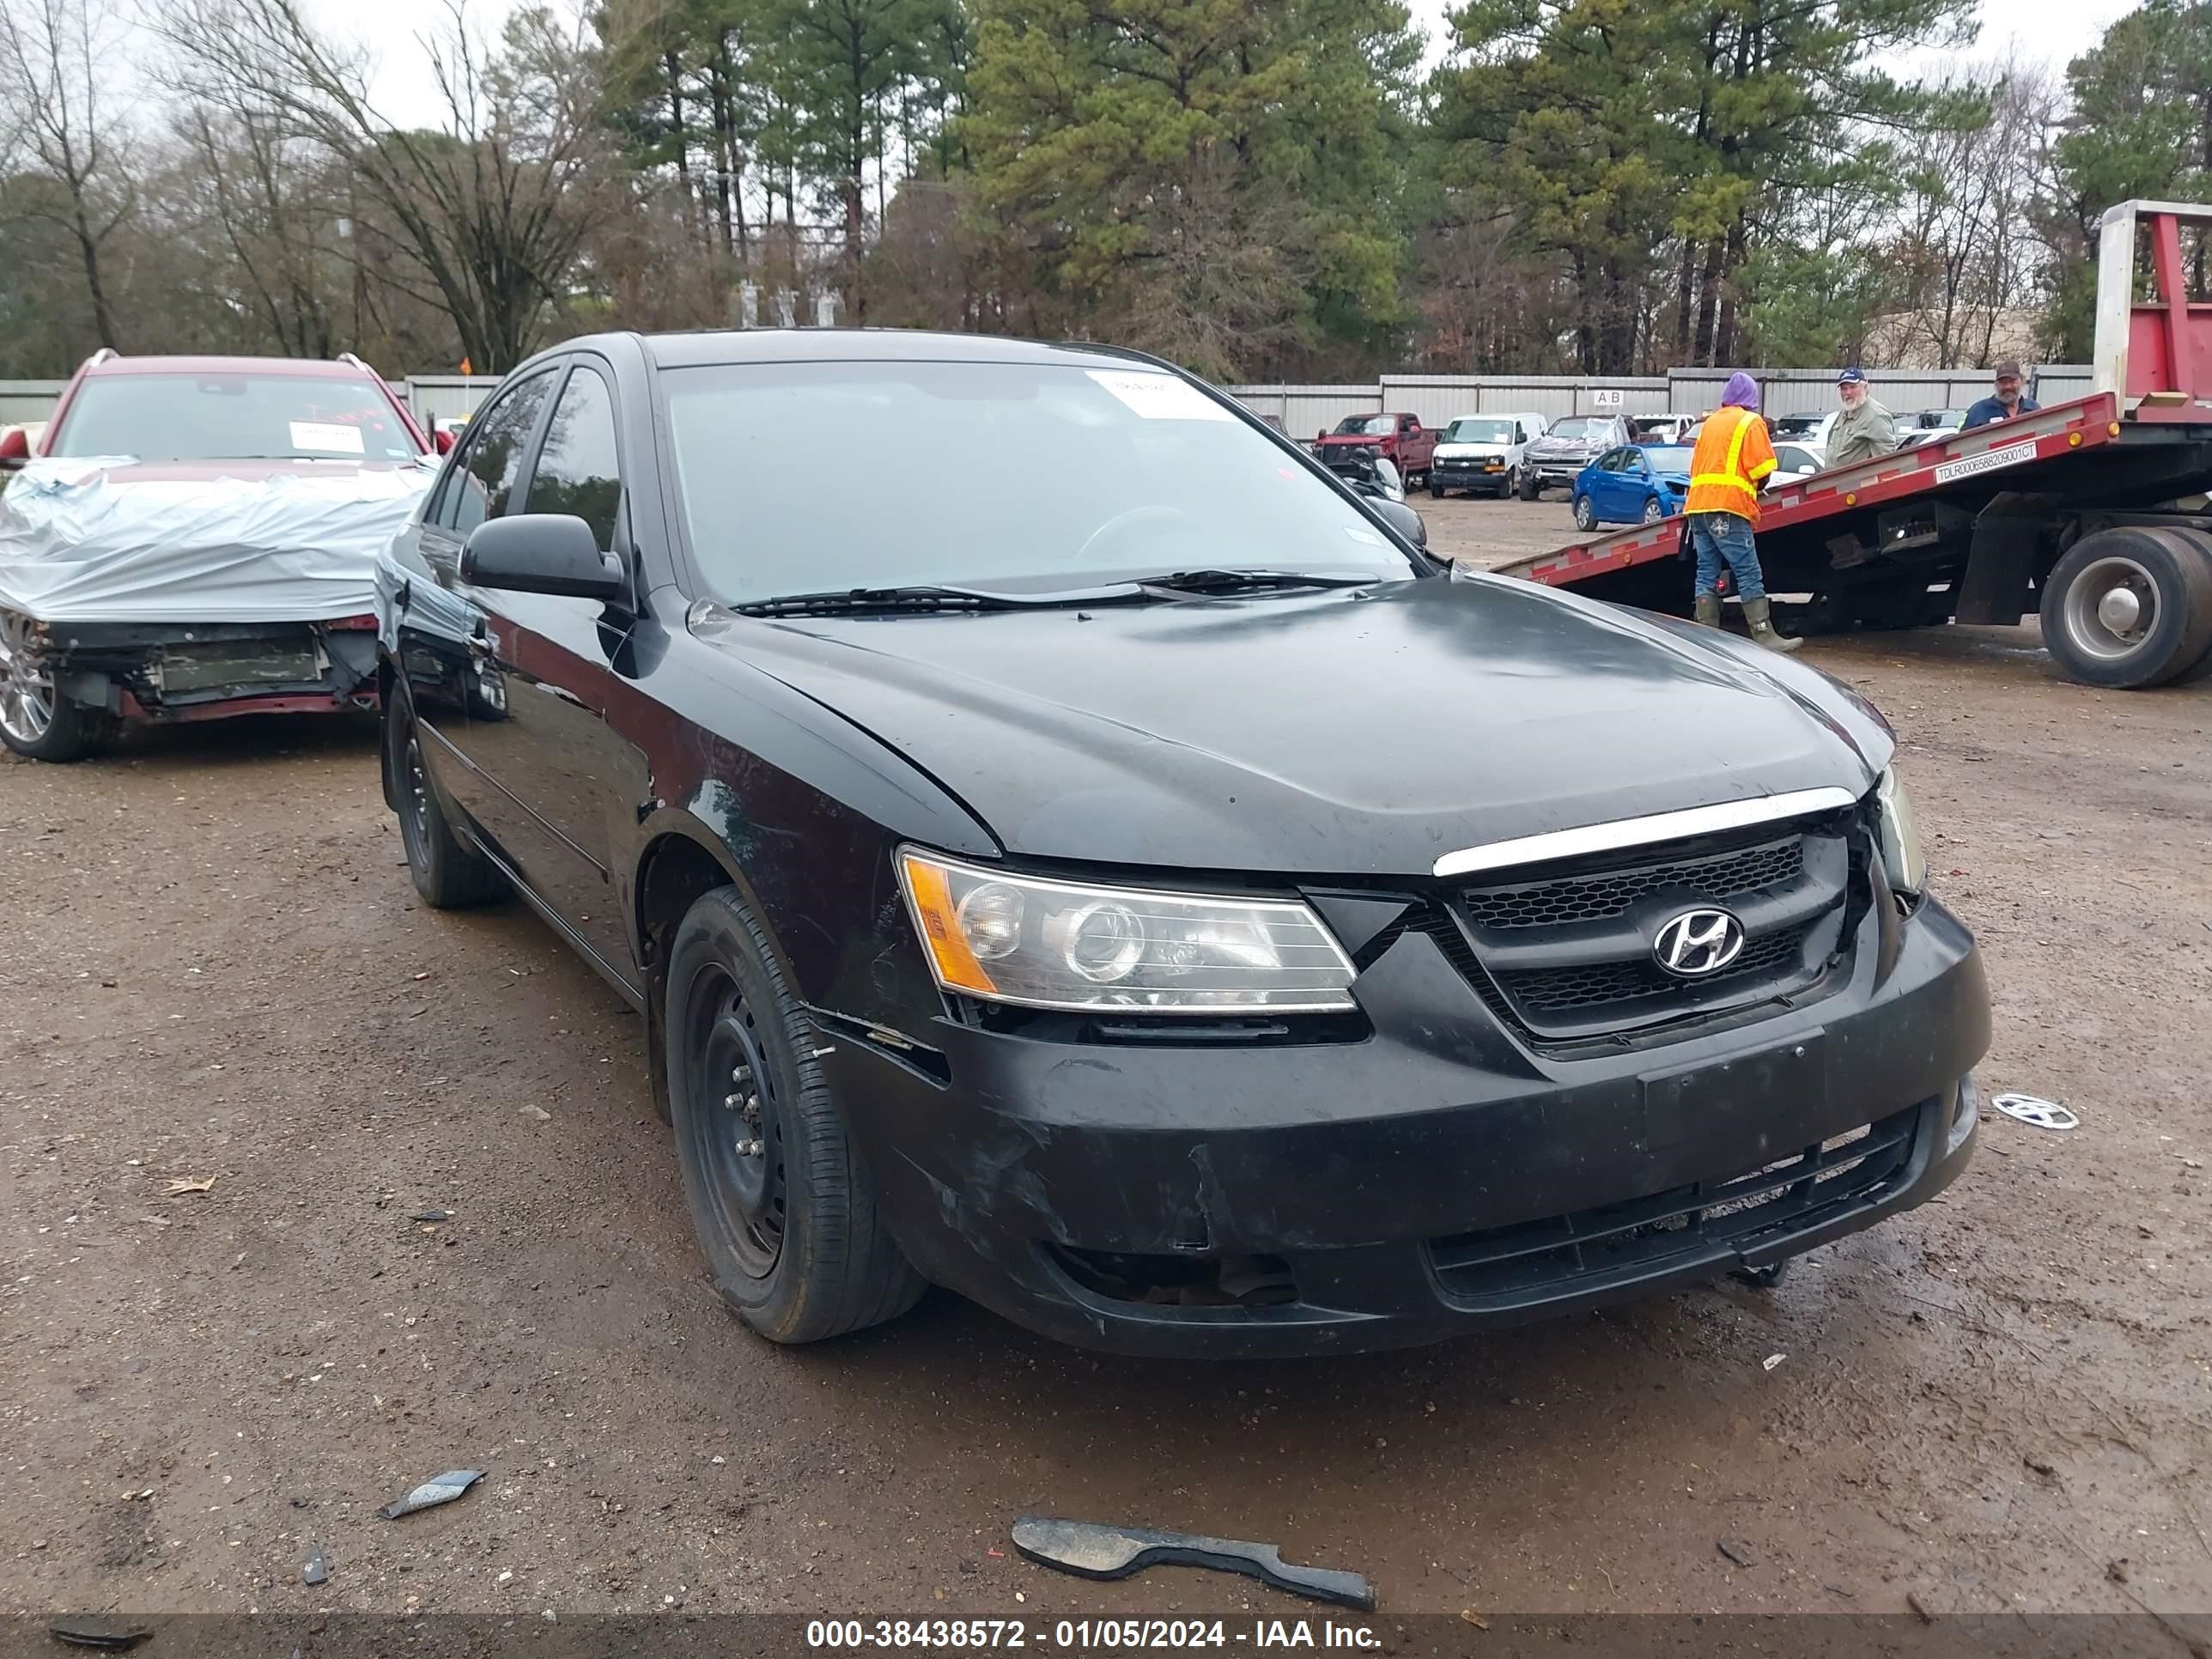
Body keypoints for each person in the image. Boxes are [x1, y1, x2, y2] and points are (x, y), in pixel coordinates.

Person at [1685, 372, 1800, 652]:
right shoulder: (1750, 422)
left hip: (1698, 506)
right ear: (1751, 399)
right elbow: (1762, 470)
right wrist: (1758, 486)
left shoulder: (1710, 423)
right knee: (1748, 570)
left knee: (1706, 572)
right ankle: (1764, 635)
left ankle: (1706, 636)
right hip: (1728, 506)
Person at [1826, 367, 1893, 468]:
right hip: (1833, 480)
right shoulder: (1845, 412)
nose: (1848, 393)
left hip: (1857, 482)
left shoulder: (1876, 415)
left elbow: (1886, 461)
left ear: (1865, 387)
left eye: (1853, 387)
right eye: (1844, 388)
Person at [1962, 360, 2039, 429]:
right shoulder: (1978, 412)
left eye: (2012, 381)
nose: (2008, 386)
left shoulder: (2033, 409)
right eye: (2003, 382)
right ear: (1996, 385)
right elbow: (1961, 443)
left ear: (2022, 382)